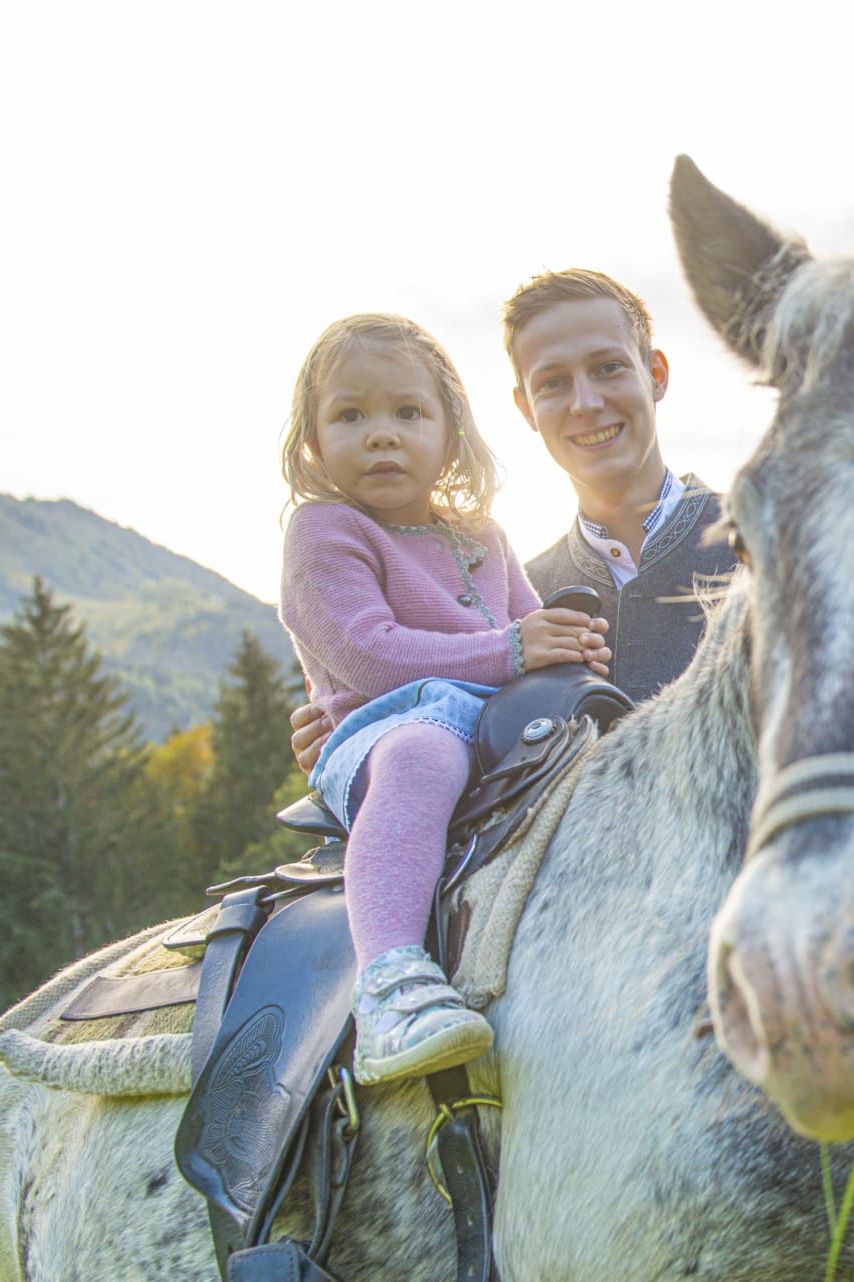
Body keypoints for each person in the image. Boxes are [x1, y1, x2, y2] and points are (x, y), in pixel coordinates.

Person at [277, 313, 609, 1085]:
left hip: (496, 733)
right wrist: (515, 651)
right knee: (422, 755)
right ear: (314, 441)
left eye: (408, 412)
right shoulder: (324, 531)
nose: (381, 434)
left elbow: (529, 629)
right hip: (381, 731)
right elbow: (368, 652)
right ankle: (391, 986)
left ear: (451, 433)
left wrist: (574, 653)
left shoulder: (483, 536)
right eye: (350, 415)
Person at [290, 270, 737, 773]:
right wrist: (365, 736)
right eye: (553, 383)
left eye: (609, 368)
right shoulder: (521, 609)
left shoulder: (771, 548)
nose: (586, 403)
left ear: (655, 374)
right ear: (526, 407)